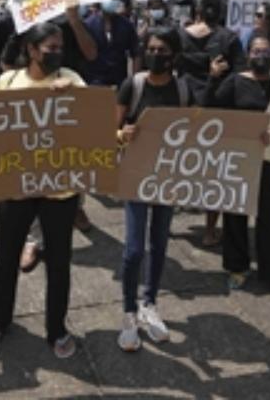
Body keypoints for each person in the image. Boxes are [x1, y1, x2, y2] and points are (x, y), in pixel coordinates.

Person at [0, 20, 85, 361]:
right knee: (6, 254)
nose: (57, 53)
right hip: (16, 187)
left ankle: (57, 329)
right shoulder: (7, 82)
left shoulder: (72, 80)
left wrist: (72, 97)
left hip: (59, 191)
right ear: (31, 50)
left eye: (60, 47)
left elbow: (89, 123)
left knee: (59, 262)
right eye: (50, 47)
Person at [206, 33, 270, 311]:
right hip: (238, 157)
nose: (260, 56)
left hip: (268, 160)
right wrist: (213, 78)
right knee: (235, 213)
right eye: (255, 51)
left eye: (265, 52)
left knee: (268, 217)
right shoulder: (235, 82)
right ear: (248, 55)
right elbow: (211, 110)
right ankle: (237, 268)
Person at [114, 28, 189, 351]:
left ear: (173, 55)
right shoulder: (134, 85)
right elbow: (110, 128)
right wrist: (121, 134)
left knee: (159, 243)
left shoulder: (184, 90)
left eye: (162, 49)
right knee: (134, 249)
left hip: (168, 177)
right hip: (136, 175)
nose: (155, 54)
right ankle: (129, 311)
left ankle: (149, 304)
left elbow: (200, 132)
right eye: (151, 48)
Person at [177, 0, 245, 247]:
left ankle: (165, 217)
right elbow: (239, 73)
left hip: (184, 104)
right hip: (217, 107)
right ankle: (209, 231)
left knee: (177, 163)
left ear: (197, 11)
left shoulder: (181, 35)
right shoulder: (229, 38)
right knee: (214, 170)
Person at [84, 0, 140, 88]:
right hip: (95, 79)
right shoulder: (88, 24)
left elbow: (136, 52)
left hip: (119, 79)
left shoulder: (126, 25)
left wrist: (134, 80)